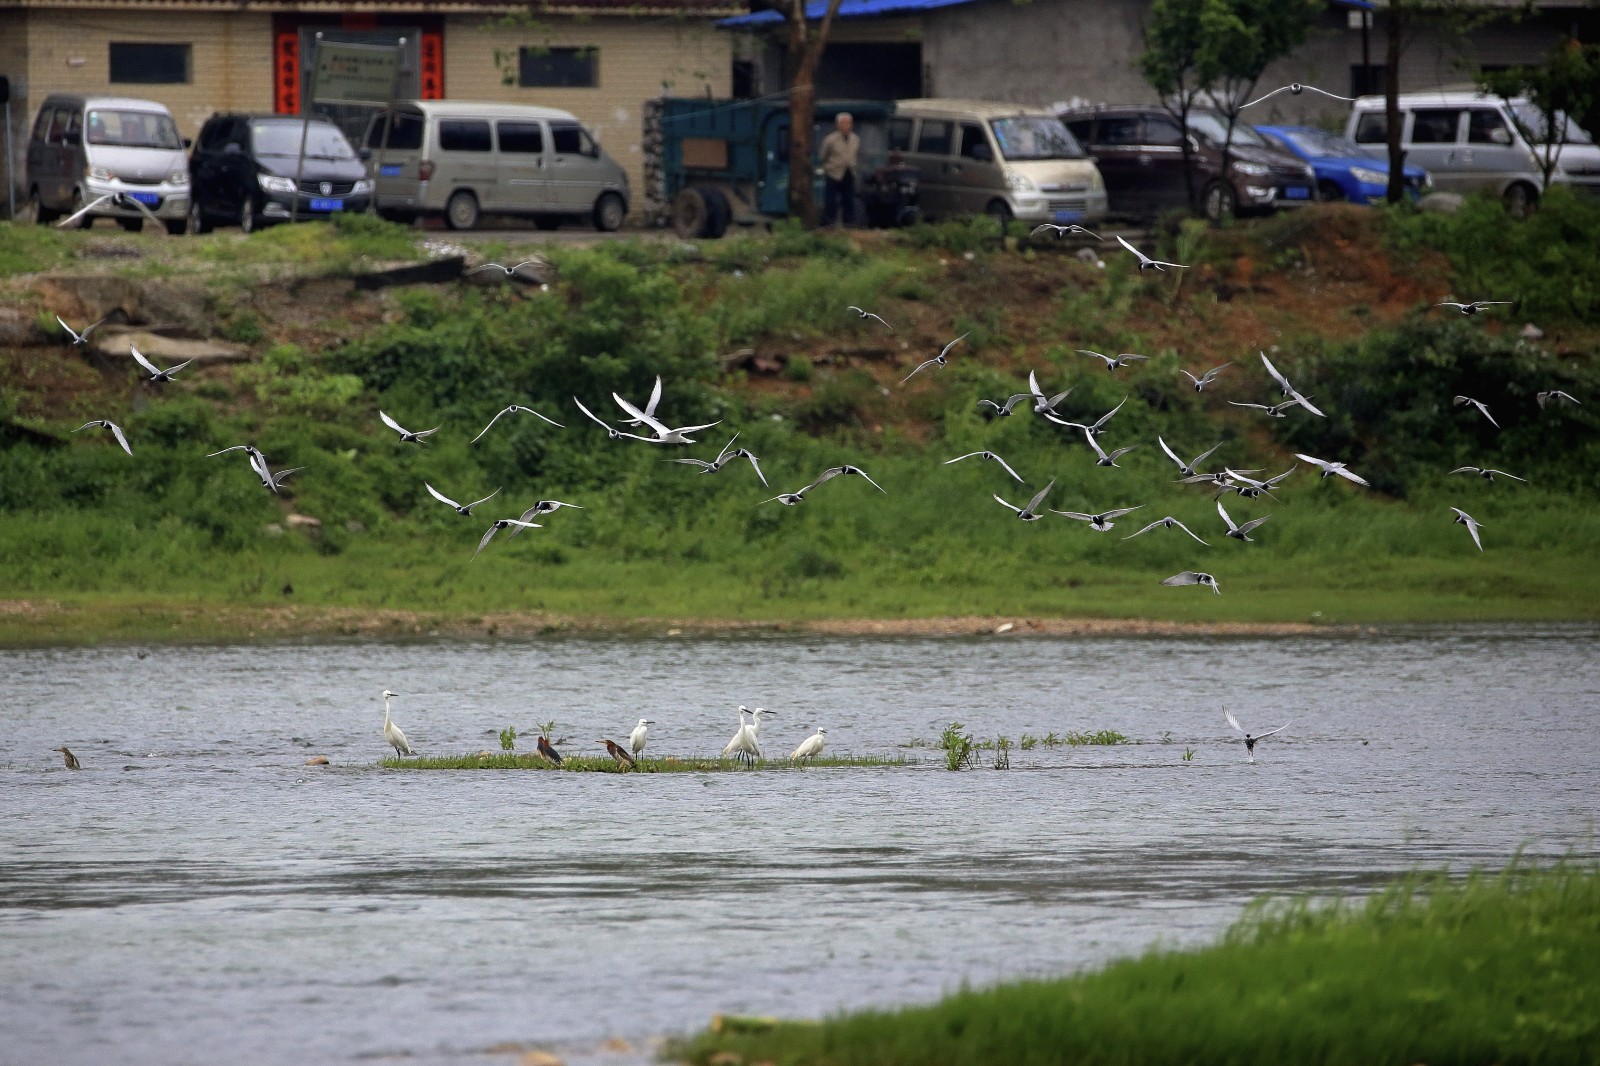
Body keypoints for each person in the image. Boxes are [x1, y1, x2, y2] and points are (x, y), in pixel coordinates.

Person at [819, 112, 861, 227]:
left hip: (849, 172)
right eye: (843, 123)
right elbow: (823, 155)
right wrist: (828, 167)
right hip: (834, 172)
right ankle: (828, 223)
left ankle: (848, 223)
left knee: (848, 199)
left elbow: (855, 154)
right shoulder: (830, 139)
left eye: (848, 123)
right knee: (831, 200)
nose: (846, 126)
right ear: (838, 125)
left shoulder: (855, 139)